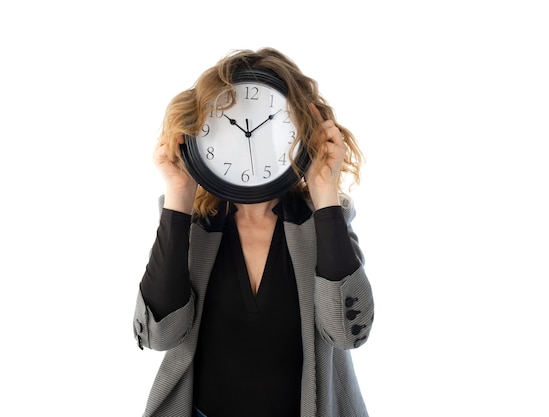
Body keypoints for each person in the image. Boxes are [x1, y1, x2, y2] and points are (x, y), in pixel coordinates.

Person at [133, 47, 374, 417]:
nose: (248, 133)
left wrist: (324, 195)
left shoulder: (323, 222)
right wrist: (179, 197)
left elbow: (347, 333)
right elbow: (159, 336)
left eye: (270, 123)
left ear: (301, 132)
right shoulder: (195, 227)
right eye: (230, 123)